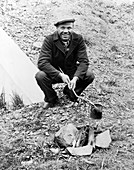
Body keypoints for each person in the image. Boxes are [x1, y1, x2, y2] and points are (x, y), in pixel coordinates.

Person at [35, 17, 95, 109]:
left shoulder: (78, 39)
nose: (66, 31)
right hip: (55, 73)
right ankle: (51, 99)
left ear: (73, 28)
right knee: (40, 76)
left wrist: (75, 78)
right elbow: (42, 62)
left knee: (89, 75)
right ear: (57, 28)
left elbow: (84, 61)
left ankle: (70, 93)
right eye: (62, 28)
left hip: (71, 71)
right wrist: (59, 75)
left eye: (69, 28)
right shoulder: (49, 40)